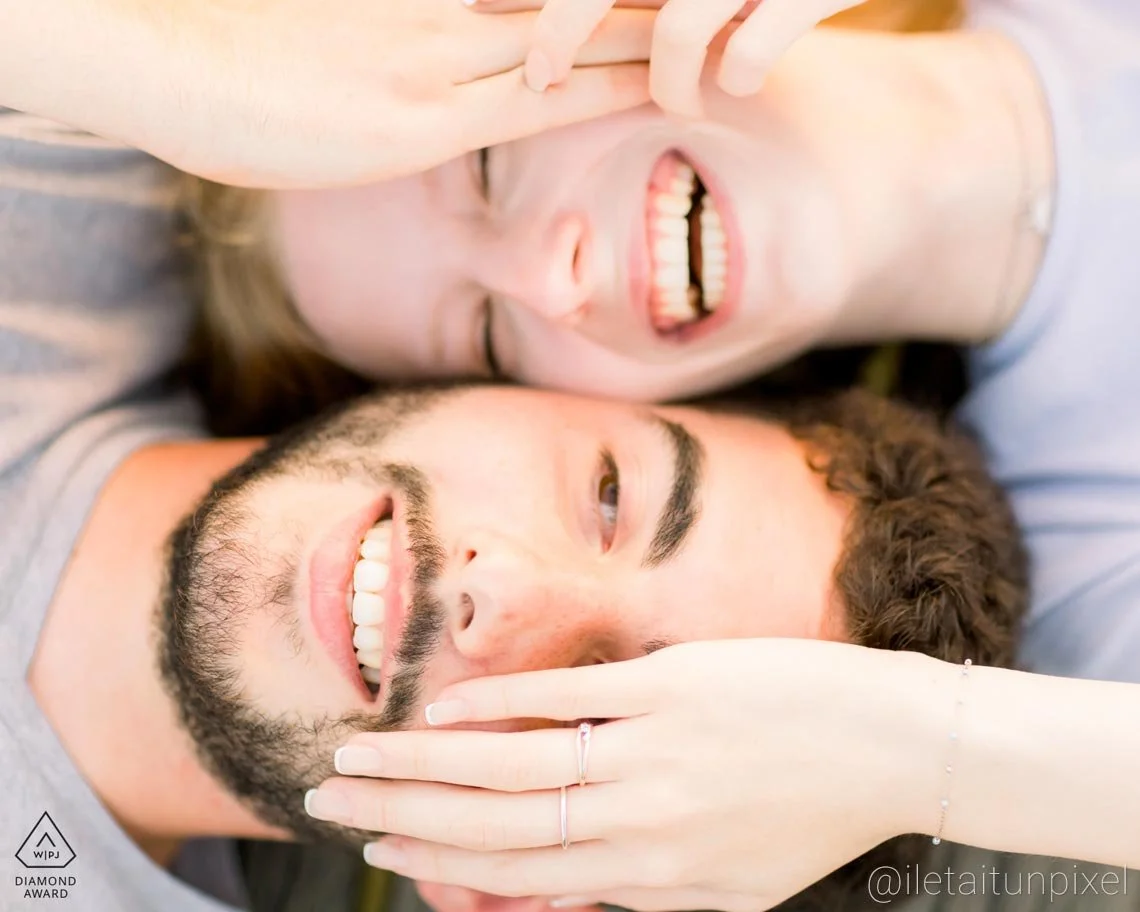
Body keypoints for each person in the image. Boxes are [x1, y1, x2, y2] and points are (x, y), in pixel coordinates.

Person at [0, 119, 1030, 907]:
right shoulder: (78, 138)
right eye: (613, 495)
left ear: (511, 892)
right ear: (542, 373)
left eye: (605, 704)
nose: (498, 586)